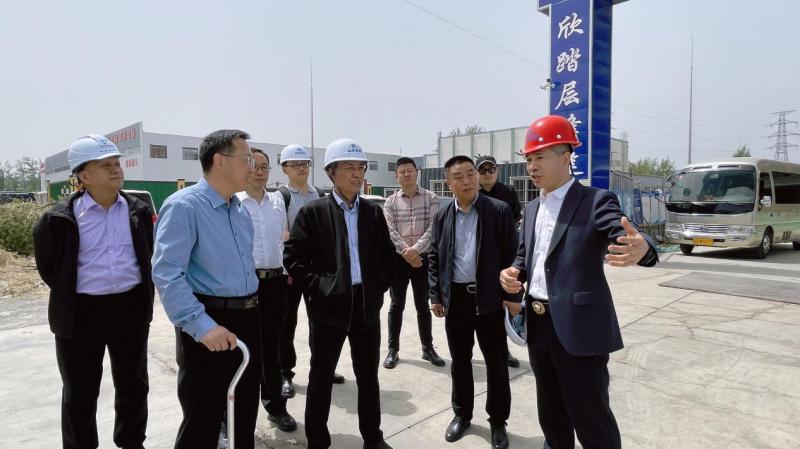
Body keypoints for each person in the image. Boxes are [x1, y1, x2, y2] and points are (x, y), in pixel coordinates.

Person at [499, 115, 659, 449]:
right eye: (528, 159)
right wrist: (513, 272)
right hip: (539, 326)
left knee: (591, 418)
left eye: (539, 156)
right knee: (551, 414)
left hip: (579, 328)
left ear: (566, 156)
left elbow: (622, 231)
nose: (532, 166)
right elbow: (526, 257)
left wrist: (643, 247)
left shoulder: (595, 201)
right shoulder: (532, 208)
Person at [33, 134, 154, 449]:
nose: (116, 169)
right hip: (80, 313)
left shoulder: (138, 211)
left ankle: (131, 442)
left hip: (129, 308)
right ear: (84, 176)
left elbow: (148, 253)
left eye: (116, 163)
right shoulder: (57, 218)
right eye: (105, 165)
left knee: (133, 384)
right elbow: (50, 269)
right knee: (80, 391)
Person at [152, 129, 261, 449]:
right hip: (208, 322)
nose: (253, 167)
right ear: (220, 161)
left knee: (243, 413)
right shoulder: (184, 206)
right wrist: (201, 326)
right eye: (247, 159)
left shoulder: (240, 210)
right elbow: (167, 274)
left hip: (248, 317)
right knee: (203, 418)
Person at [284, 138, 396, 449]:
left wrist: (378, 285)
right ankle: (318, 441)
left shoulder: (372, 212)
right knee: (321, 378)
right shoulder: (313, 212)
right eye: (349, 167)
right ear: (331, 172)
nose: (357, 173)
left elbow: (388, 256)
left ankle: (373, 438)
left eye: (361, 167)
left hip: (366, 308)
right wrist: (321, 286)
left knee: (368, 378)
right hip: (328, 309)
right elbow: (293, 258)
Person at [428, 155, 519, 449]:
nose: (467, 181)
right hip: (456, 300)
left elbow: (514, 256)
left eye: (471, 174)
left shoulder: (498, 211)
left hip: (490, 299)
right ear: (448, 183)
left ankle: (498, 421)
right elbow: (435, 257)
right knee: (460, 362)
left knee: (496, 363)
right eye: (459, 176)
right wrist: (436, 294)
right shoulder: (442, 216)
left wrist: (512, 297)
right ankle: (462, 414)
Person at [276, 144, 345, 398]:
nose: (301, 168)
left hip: (317, 273)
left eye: (304, 164)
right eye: (295, 165)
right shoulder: (281, 197)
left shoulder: (321, 195)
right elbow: (281, 237)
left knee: (321, 323)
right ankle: (285, 372)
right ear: (284, 169)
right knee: (287, 324)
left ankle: (323, 368)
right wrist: (289, 267)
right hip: (291, 273)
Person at [235, 149, 297, 432]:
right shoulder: (234, 202)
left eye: (265, 167)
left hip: (275, 284)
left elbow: (283, 239)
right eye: (255, 166)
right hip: (246, 285)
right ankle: (235, 415)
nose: (260, 172)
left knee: (273, 348)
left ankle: (275, 406)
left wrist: (286, 271)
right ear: (245, 168)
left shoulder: (277, 201)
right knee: (244, 350)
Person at [382, 156, 444, 369]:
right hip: (398, 261)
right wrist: (407, 252)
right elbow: (390, 231)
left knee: (423, 306)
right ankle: (393, 349)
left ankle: (428, 348)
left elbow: (432, 228)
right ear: (396, 176)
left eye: (410, 170)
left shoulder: (431, 197)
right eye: (402, 171)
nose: (406, 174)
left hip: (422, 260)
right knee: (396, 305)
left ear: (417, 173)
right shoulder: (390, 202)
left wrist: (415, 251)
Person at [475, 154, 523, 369]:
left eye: (491, 169)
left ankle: (504, 351)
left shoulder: (508, 192)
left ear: (497, 171)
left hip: (503, 255)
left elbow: (516, 218)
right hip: (479, 257)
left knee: (501, 305)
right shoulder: (473, 193)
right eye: (482, 170)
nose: (487, 174)